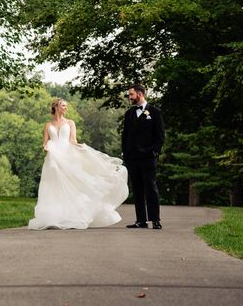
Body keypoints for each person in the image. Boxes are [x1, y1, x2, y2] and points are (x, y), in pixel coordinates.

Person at [28, 98, 128, 230]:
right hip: (53, 157)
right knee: (53, 186)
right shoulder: (48, 125)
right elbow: (45, 142)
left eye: (66, 106)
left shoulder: (70, 123)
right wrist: (46, 147)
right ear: (56, 107)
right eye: (63, 106)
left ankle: (72, 215)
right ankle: (53, 216)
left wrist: (82, 148)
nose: (65, 108)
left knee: (72, 184)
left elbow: (73, 141)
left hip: (67, 156)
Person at [121, 85, 165, 229]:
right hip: (132, 158)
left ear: (139, 94)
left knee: (150, 187)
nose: (129, 97)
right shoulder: (129, 114)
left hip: (148, 157)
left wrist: (154, 151)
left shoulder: (155, 112)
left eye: (131, 94)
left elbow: (160, 135)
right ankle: (141, 221)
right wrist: (125, 153)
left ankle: (155, 220)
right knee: (137, 188)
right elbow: (125, 136)